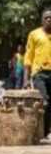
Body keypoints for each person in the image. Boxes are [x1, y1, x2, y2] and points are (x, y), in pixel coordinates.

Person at [24, 9, 51, 139]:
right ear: (42, 20)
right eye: (46, 17)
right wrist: (26, 78)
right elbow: (28, 56)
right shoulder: (34, 34)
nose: (49, 20)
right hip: (39, 73)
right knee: (44, 102)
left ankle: (45, 132)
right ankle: (41, 131)